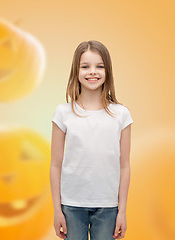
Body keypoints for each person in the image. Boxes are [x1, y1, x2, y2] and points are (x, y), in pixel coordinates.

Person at [50, 40, 133, 240]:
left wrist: (122, 211)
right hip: (71, 205)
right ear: (76, 71)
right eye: (85, 66)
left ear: (107, 71)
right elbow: (55, 164)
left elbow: (124, 166)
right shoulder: (63, 113)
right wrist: (57, 210)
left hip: (108, 207)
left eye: (99, 66)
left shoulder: (121, 114)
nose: (92, 72)